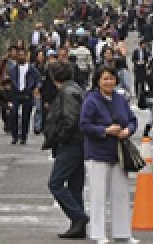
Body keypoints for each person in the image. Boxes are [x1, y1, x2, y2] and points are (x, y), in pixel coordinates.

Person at [79, 66, 137, 244]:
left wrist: (128, 130)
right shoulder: (91, 101)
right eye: (105, 79)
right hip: (97, 154)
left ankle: (123, 233)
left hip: (119, 154)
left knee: (121, 194)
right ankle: (98, 233)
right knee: (98, 195)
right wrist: (105, 130)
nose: (109, 82)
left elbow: (132, 119)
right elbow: (84, 125)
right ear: (98, 81)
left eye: (111, 78)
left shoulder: (120, 99)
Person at [42, 61, 88, 239]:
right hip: (77, 143)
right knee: (75, 186)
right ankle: (78, 225)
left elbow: (70, 119)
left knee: (56, 182)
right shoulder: (75, 89)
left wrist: (59, 137)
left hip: (70, 144)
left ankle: (78, 217)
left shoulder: (67, 92)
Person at [8, 47, 41, 145]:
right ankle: (14, 136)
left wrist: (36, 88)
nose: (21, 57)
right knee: (14, 114)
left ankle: (23, 136)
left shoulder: (32, 69)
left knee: (26, 116)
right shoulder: (14, 69)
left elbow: (38, 79)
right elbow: (10, 81)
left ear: (26, 56)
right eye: (19, 55)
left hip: (27, 93)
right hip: (16, 94)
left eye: (23, 55)